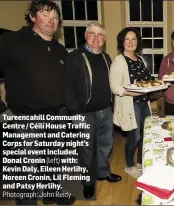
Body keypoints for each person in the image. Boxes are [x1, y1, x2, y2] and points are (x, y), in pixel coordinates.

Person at [0, 0, 75, 205]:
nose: (51, 20)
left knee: (53, 163)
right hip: (25, 120)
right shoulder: (10, 41)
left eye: (55, 17)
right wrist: (0, 110)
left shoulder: (59, 50)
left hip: (56, 118)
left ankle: (52, 192)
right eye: (45, 14)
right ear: (32, 16)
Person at [64, 22, 122, 199]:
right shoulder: (74, 57)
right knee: (86, 150)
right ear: (85, 36)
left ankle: (103, 172)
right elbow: (66, 87)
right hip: (84, 113)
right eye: (92, 34)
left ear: (104, 39)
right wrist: (75, 111)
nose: (96, 38)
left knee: (105, 145)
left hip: (105, 110)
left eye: (100, 35)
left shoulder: (106, 57)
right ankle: (88, 182)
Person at [110, 27, 152, 178]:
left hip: (144, 102)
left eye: (134, 39)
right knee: (135, 137)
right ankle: (129, 165)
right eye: (127, 39)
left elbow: (146, 81)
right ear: (122, 42)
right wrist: (130, 92)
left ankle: (141, 162)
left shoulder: (139, 59)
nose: (131, 42)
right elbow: (114, 86)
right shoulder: (119, 61)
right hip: (131, 103)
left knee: (146, 134)